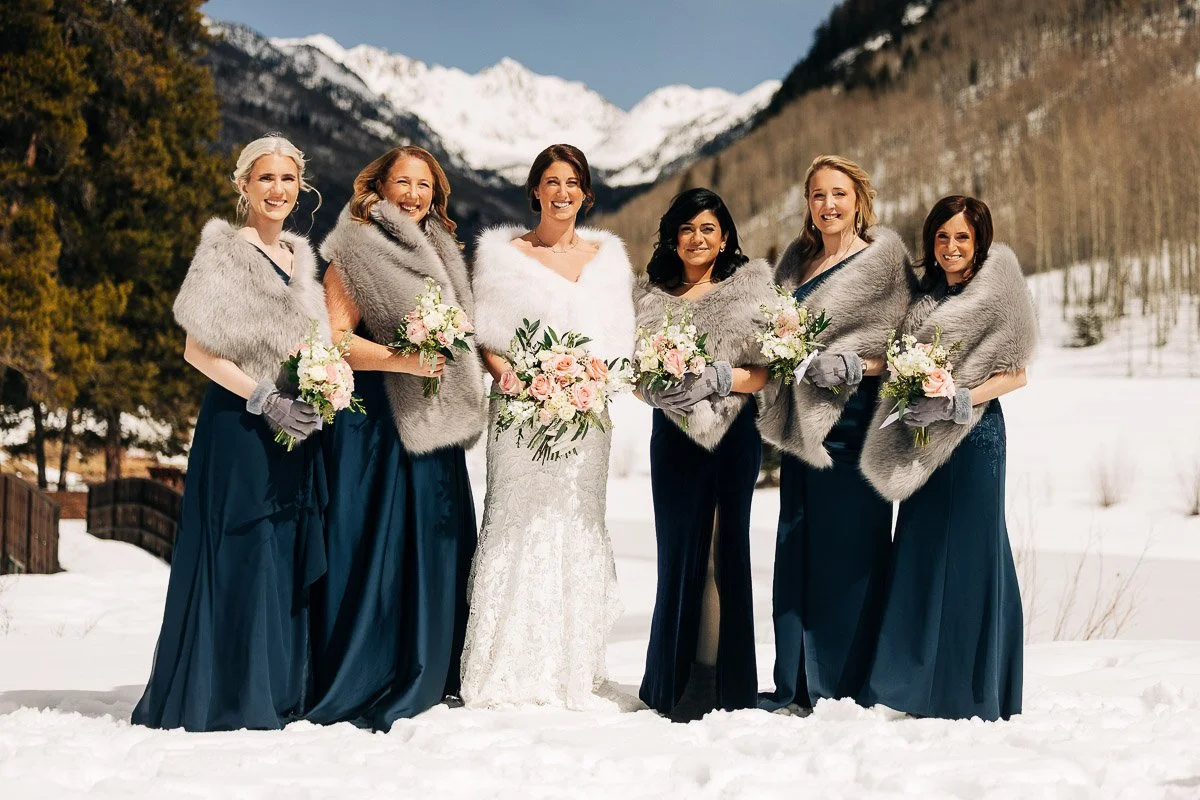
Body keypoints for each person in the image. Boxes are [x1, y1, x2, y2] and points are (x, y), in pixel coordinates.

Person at [133, 134, 331, 731]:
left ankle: (273, 686)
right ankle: (224, 693)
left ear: (301, 189)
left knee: (282, 549)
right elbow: (197, 348)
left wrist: (320, 392)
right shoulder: (222, 254)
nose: (277, 190)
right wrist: (263, 398)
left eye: (288, 180)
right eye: (265, 178)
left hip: (295, 430)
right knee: (242, 546)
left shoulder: (303, 258)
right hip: (239, 424)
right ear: (242, 185)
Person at [305, 146, 486, 730]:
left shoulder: (442, 251)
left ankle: (433, 663)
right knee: (376, 547)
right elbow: (333, 339)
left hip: (435, 423)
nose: (414, 194)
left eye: (425, 186)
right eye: (402, 183)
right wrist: (401, 360)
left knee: (433, 542)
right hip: (375, 426)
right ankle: (373, 670)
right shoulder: (352, 250)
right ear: (376, 187)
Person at [462, 144, 635, 709]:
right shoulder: (502, 255)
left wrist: (592, 381)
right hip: (518, 417)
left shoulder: (609, 260)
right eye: (552, 181)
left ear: (586, 193)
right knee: (515, 524)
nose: (563, 193)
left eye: (574, 183)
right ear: (535, 190)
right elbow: (486, 337)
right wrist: (511, 375)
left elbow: (619, 345)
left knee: (577, 524)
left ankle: (572, 665)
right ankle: (505, 664)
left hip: (587, 420)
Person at [860, 195, 1035, 721]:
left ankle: (974, 689)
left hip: (975, 437)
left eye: (961, 237)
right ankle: (910, 684)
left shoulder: (1000, 292)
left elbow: (1017, 371)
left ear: (979, 240)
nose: (951, 247)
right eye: (942, 237)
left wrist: (959, 399)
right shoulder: (922, 297)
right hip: (921, 438)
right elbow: (896, 357)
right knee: (920, 543)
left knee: (975, 552)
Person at [757, 154, 915, 713]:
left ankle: (844, 681)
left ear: (859, 200)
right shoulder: (795, 263)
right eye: (819, 195)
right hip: (801, 425)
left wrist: (854, 364)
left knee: (851, 552)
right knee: (797, 544)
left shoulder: (885, 263)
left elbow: (904, 347)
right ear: (808, 203)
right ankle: (797, 680)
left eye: (839, 194)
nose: (829, 204)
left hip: (855, 426)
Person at [634, 188, 774, 722]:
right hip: (672, 440)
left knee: (723, 552)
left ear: (725, 238)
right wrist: (653, 391)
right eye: (688, 228)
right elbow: (634, 372)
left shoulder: (748, 289)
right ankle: (673, 677)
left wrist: (723, 378)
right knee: (678, 552)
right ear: (673, 236)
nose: (697, 238)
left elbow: (765, 371)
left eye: (709, 229)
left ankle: (717, 678)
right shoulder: (648, 295)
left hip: (733, 435)